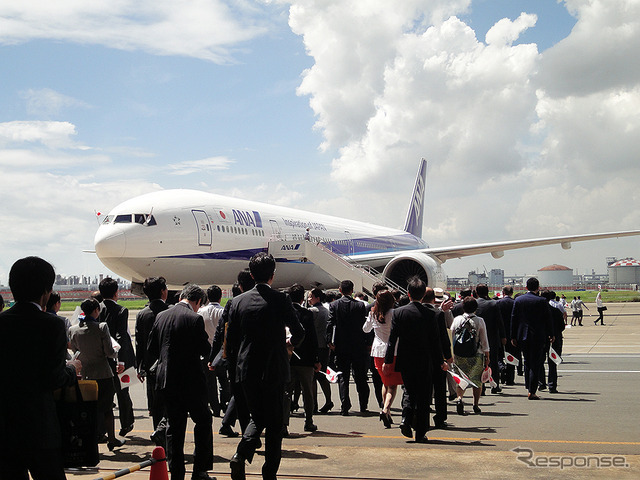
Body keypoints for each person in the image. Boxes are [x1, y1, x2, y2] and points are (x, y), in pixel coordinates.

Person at [0, 257, 81, 479]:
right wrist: (72, 369)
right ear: (46, 291)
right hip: (39, 429)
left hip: (5, 430)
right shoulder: (51, 324)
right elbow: (53, 377)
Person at [226, 252, 305, 480]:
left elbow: (231, 343)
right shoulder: (281, 299)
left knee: (257, 417)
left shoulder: (237, 302)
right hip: (273, 369)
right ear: (273, 275)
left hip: (247, 369)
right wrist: (289, 342)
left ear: (251, 275)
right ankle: (269, 472)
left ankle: (240, 455)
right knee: (274, 425)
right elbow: (299, 331)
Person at [148, 284, 214, 480]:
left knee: (174, 429)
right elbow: (204, 349)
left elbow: (152, 349)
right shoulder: (194, 318)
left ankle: (176, 473)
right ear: (198, 301)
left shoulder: (161, 316)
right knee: (203, 421)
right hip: (190, 381)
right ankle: (200, 471)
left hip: (166, 381)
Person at [383, 277, 447, 443]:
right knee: (424, 395)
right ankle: (421, 432)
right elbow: (435, 341)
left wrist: (388, 360)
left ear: (408, 294)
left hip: (405, 358)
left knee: (409, 391)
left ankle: (405, 419)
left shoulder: (399, 312)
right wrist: (441, 361)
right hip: (425, 359)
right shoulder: (431, 314)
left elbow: (392, 339)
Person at [70, 298, 125, 451]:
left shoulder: (73, 330)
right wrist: (116, 351)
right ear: (96, 311)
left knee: (88, 410)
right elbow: (108, 352)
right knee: (107, 408)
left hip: (85, 373)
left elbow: (75, 352)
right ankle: (112, 439)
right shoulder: (102, 327)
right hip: (103, 373)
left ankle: (90, 440)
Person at [99, 277, 136, 437]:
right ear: (116, 293)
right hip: (118, 359)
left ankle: (101, 429)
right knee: (123, 392)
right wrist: (120, 359)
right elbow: (121, 336)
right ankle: (126, 423)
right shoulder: (121, 311)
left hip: (100, 359)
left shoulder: (96, 309)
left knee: (103, 394)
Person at [326, 279, 370, 416]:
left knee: (343, 376)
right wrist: (367, 342)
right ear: (352, 290)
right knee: (360, 376)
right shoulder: (360, 306)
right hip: (358, 345)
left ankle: (345, 405)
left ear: (340, 290)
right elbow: (365, 326)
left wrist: (329, 341)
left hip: (341, 345)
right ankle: (363, 404)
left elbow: (330, 324)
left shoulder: (334, 305)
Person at [134, 276, 169, 445]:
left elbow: (139, 343)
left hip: (150, 367)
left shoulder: (142, 314)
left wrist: (140, 366)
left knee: (155, 406)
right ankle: (168, 436)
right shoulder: (169, 311)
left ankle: (158, 439)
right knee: (170, 404)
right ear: (163, 292)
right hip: (168, 365)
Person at [284, 283, 320, 434]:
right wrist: (316, 359)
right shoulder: (307, 314)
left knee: (286, 392)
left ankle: (284, 423)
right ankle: (309, 421)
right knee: (308, 392)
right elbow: (312, 338)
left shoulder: (283, 313)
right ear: (301, 298)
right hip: (305, 359)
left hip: (288, 358)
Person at [362, 290, 401, 428]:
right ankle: (385, 409)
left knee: (385, 382)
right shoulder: (394, 313)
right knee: (392, 385)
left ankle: (387, 411)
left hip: (377, 351)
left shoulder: (373, 313)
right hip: (393, 351)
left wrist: (370, 316)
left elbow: (365, 329)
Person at [510, 277, 554, 400]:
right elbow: (548, 319)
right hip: (538, 336)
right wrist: (551, 334)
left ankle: (528, 385)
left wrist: (513, 336)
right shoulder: (542, 301)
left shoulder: (518, 300)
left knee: (527, 362)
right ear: (538, 287)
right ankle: (532, 390)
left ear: (526, 287)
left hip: (522, 335)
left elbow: (514, 319)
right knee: (535, 363)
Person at [451, 297, 490, 415]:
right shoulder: (479, 321)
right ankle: (475, 404)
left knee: (461, 378)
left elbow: (452, 336)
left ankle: (459, 398)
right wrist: (487, 355)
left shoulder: (457, 319)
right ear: (475, 308)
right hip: (476, 354)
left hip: (459, 354)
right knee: (477, 381)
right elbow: (484, 340)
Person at [423, 287, 453, 428]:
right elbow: (444, 337)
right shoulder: (438, 313)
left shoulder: (410, 311)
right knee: (440, 389)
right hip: (437, 356)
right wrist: (448, 356)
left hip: (420, 356)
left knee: (423, 388)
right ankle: (440, 418)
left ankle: (421, 416)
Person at [198, 285, 229, 416]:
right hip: (220, 351)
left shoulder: (200, 312)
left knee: (210, 383)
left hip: (206, 351)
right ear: (220, 297)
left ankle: (215, 408)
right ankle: (225, 404)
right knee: (223, 380)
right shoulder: (223, 312)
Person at [475, 284, 506, 394]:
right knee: (493, 362)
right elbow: (499, 322)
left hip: (477, 338)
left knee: (479, 363)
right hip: (492, 336)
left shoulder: (475, 303)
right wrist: (503, 336)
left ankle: (481, 386)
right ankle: (495, 385)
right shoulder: (494, 304)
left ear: (477, 292)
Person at [307, 288, 333, 413]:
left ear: (317, 297)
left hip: (314, 346)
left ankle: (314, 404)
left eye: (311, 296)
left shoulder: (312, 311)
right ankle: (328, 400)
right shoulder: (327, 311)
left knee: (312, 376)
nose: (309, 299)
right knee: (322, 375)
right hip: (324, 345)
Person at [498, 285, 520, 385]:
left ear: (503, 293)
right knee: (511, 356)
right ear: (512, 293)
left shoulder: (498, 303)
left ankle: (501, 368)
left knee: (499, 355)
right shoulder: (515, 303)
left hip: (500, 333)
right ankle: (510, 379)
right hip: (512, 334)